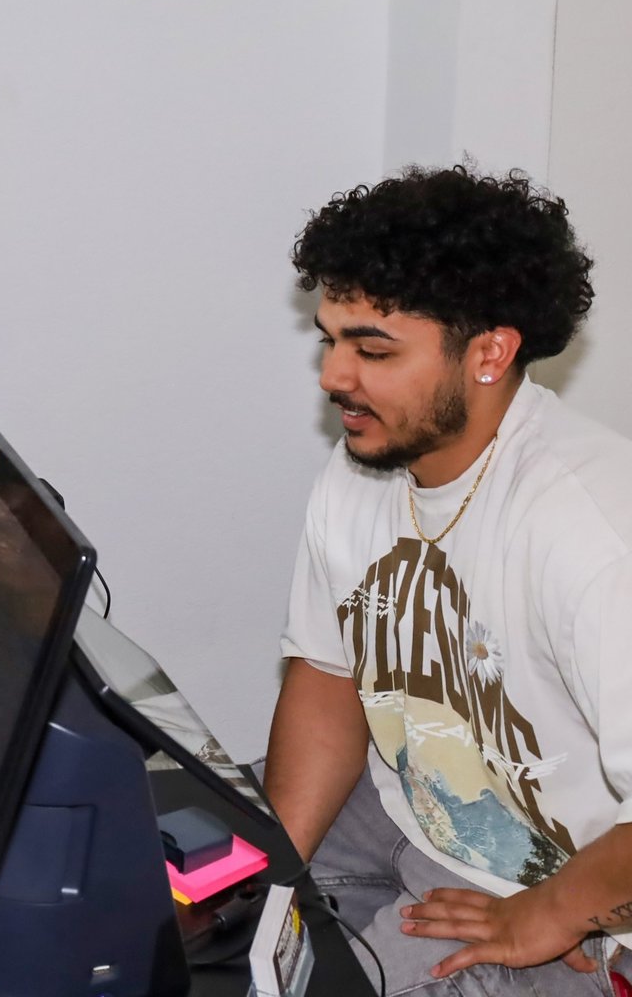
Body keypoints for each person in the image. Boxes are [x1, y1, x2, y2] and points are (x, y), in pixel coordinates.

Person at [268, 165, 632, 997]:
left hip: (567, 902)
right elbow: (327, 673)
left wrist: (555, 913)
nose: (333, 376)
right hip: (400, 813)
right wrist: (272, 878)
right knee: (178, 907)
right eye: (330, 339)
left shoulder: (595, 533)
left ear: (490, 354)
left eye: (373, 349)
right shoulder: (367, 460)